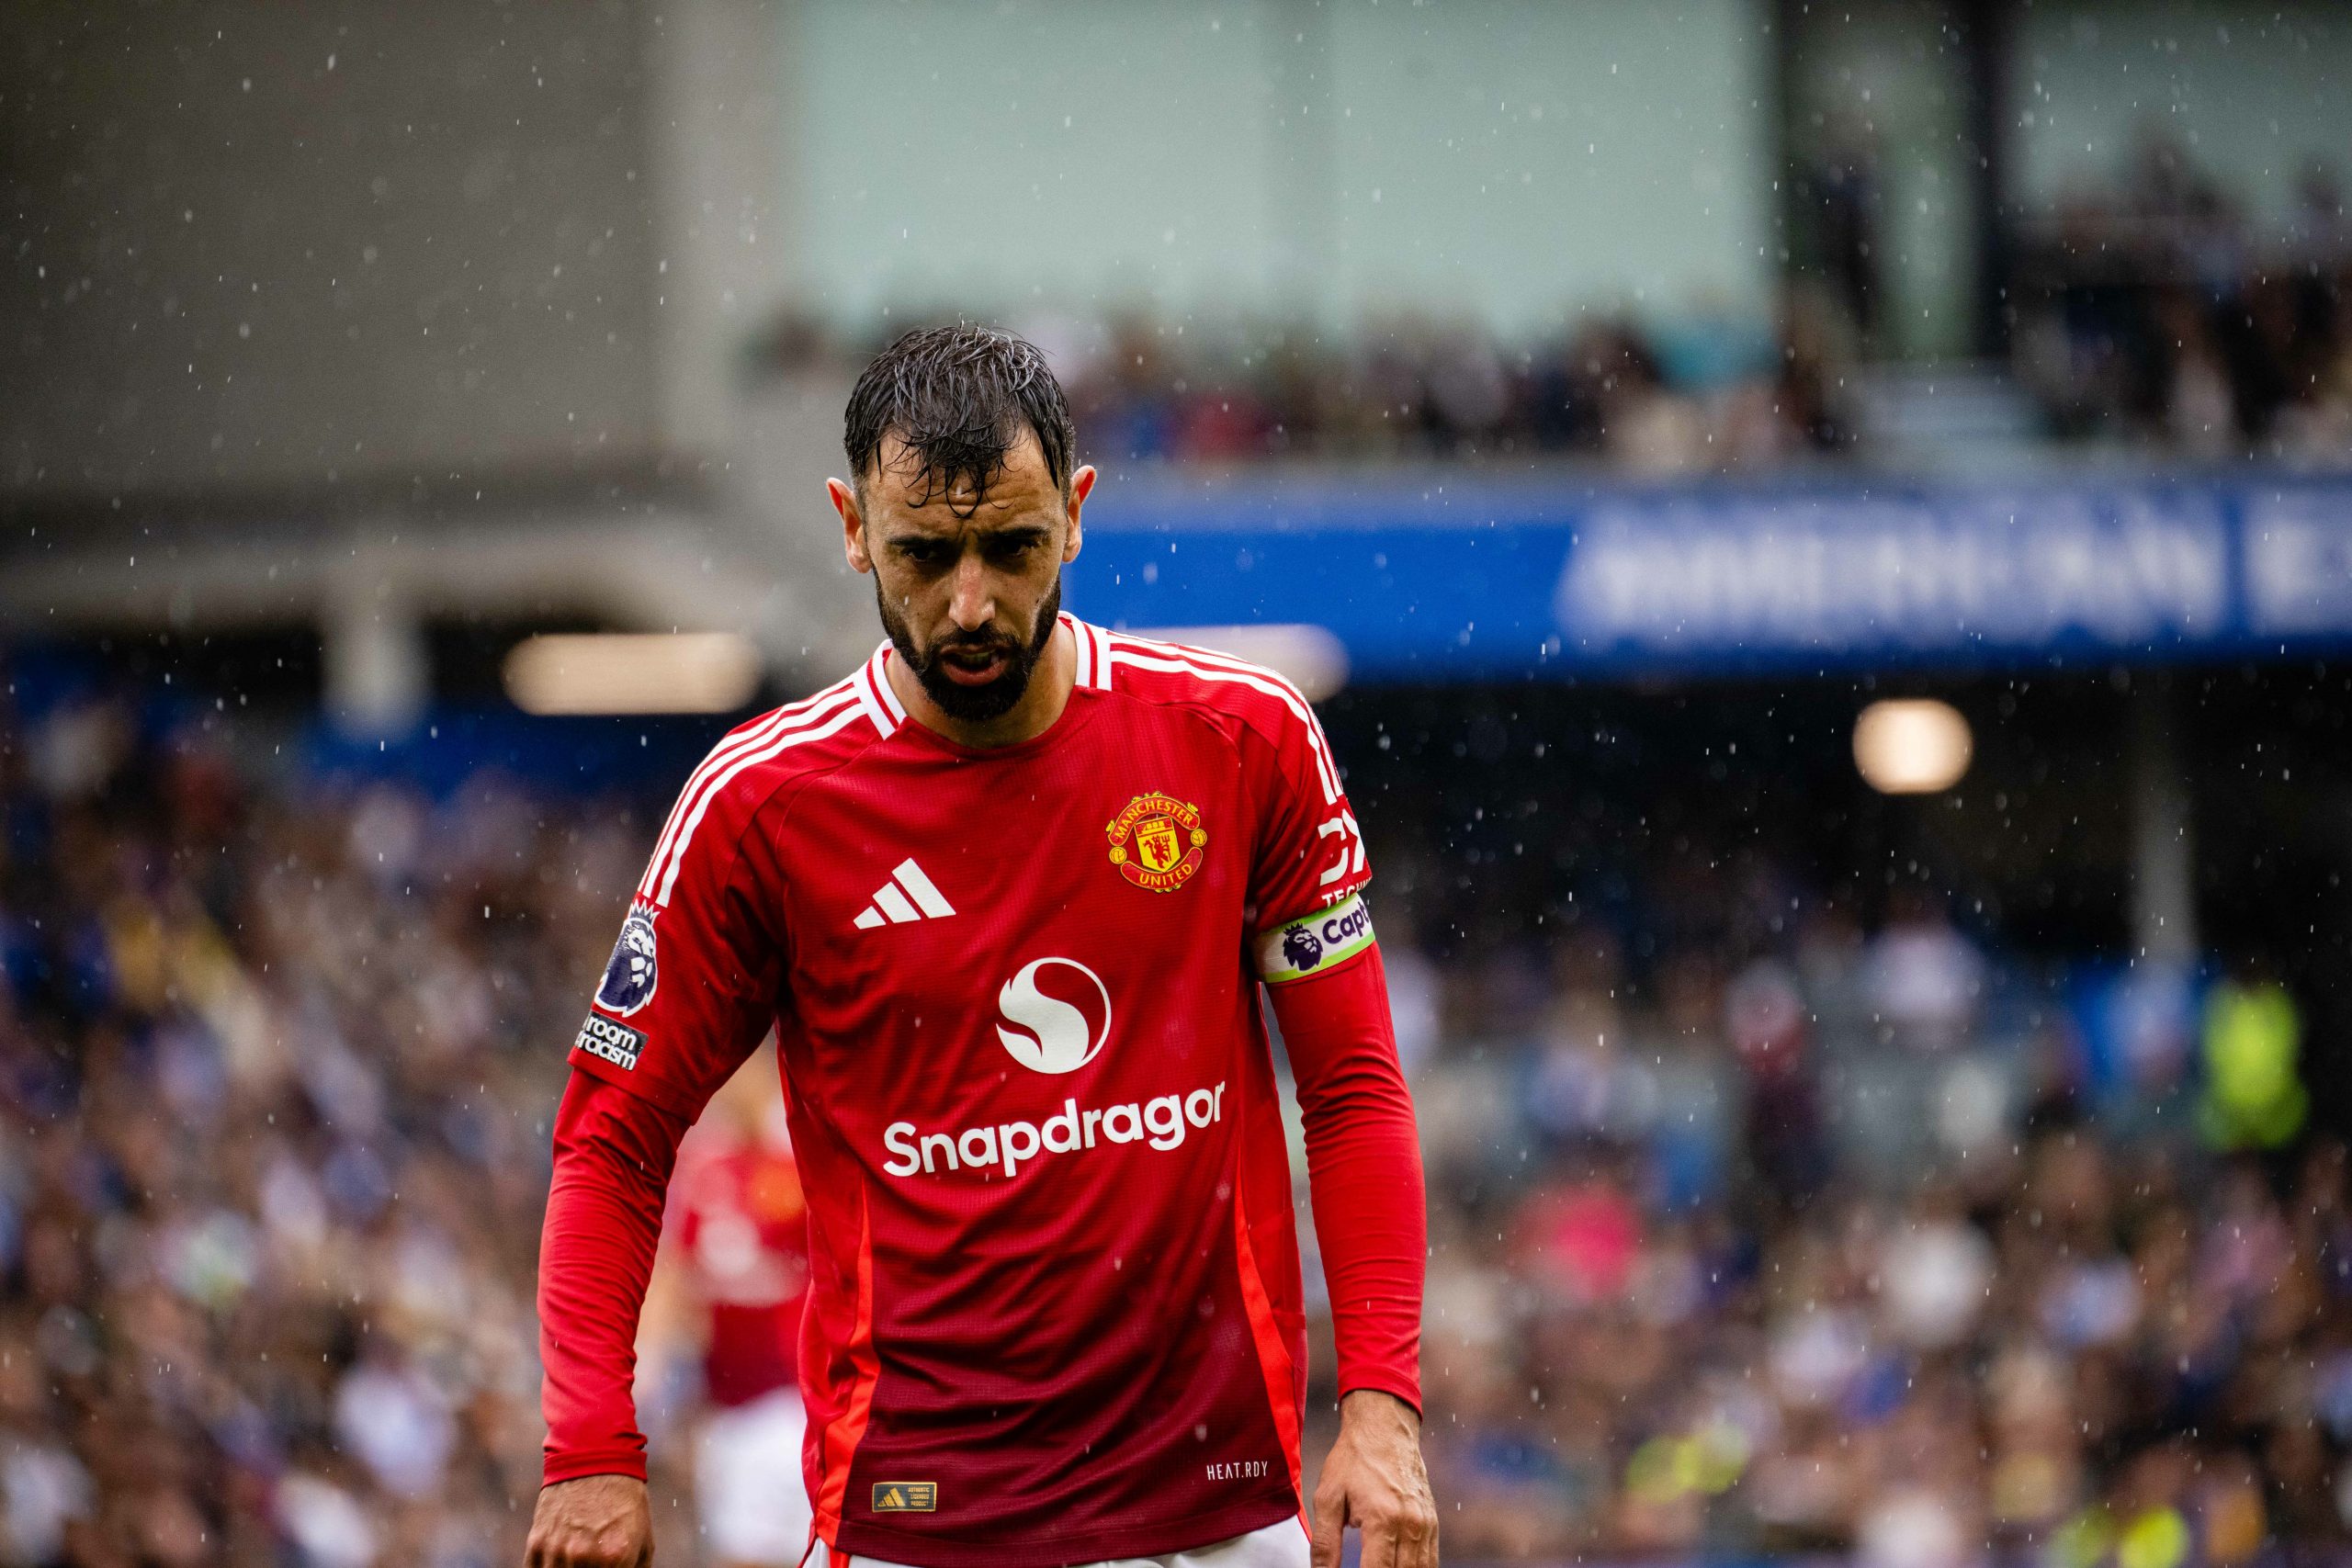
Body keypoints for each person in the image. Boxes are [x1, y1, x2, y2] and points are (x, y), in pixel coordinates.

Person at [526, 324, 1435, 1568]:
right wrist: (587, 1449)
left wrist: (1381, 1405)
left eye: (1009, 547)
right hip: (919, 1521)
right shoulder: (762, 807)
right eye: (922, 552)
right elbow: (611, 1135)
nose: (969, 600)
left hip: (1218, 1512)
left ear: (1075, 512)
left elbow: (1351, 1087)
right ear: (853, 528)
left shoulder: (1243, 742)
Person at [641, 1052, 814, 1567]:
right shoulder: (702, 1169)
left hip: (808, 1405)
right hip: (735, 1412)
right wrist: (646, 1366)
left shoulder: (800, 1155)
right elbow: (676, 1274)